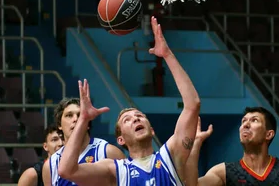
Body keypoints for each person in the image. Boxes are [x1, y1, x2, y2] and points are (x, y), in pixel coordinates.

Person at [57, 16, 201, 186]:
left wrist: (167, 55)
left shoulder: (170, 156)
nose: (136, 119)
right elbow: (66, 170)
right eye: (127, 120)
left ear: (152, 130)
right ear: (120, 140)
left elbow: (192, 104)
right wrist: (83, 119)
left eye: (139, 116)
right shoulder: (115, 170)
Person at [42, 96, 126, 186]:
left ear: (87, 124)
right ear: (59, 125)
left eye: (80, 115)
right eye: (69, 115)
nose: (75, 119)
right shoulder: (50, 165)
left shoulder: (108, 152)